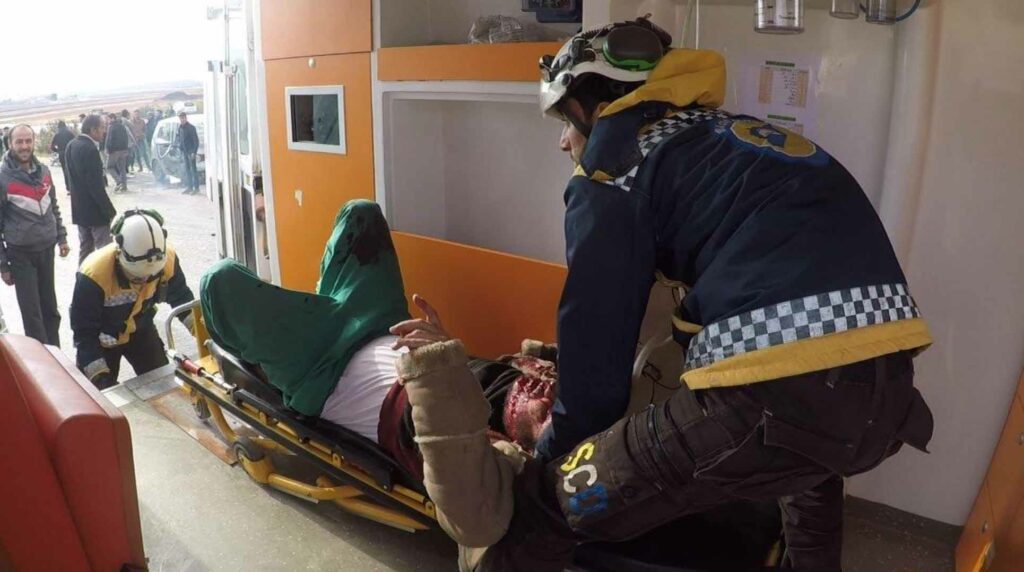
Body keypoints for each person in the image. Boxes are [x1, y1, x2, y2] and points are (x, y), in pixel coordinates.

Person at [397, 19, 936, 571]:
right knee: (809, 473)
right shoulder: (733, 138)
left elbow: (594, 364)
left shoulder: (612, 172)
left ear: (594, 106)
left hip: (773, 389)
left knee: (547, 506)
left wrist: (554, 461)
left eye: (564, 120)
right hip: (884, 394)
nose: (562, 141)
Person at [199, 200, 559, 479]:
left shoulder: (292, 343)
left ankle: (552, 423)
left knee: (361, 212)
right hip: (336, 371)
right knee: (220, 279)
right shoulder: (295, 364)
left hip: (377, 325)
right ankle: (547, 429)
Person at [70, 209, 194, 389]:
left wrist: (207, 336)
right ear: (120, 253)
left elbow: (183, 302)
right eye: (136, 276)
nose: (144, 280)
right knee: (99, 397)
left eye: (151, 275)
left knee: (163, 385)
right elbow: (84, 332)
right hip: (100, 339)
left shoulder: (167, 260)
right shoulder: (94, 274)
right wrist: (100, 378)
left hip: (140, 328)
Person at [0, 125, 71, 346]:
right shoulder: (3, 179)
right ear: (10, 144)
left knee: (51, 310)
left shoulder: (45, 172)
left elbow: (53, 207)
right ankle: (42, 362)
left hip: (46, 250)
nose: (24, 146)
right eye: (19, 142)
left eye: (28, 141)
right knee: (33, 316)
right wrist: (3, 265)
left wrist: (62, 237)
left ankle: (56, 355)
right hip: (21, 255)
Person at [65, 114, 116, 264]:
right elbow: (96, 186)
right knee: (105, 254)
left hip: (80, 211)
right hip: (96, 213)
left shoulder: (71, 145)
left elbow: (70, 180)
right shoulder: (90, 149)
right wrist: (109, 210)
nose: (104, 132)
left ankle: (82, 277)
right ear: (93, 130)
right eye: (102, 128)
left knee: (85, 251)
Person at [104, 112, 134, 192]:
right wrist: (126, 148)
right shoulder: (122, 126)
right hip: (124, 150)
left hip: (114, 151)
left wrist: (108, 150)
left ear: (112, 118)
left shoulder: (111, 127)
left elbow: (109, 139)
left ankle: (118, 181)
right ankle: (124, 187)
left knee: (109, 167)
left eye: (108, 119)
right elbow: (126, 138)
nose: (107, 121)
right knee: (122, 169)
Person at [176, 111, 200, 194]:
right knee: (187, 170)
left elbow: (196, 141)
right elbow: (179, 138)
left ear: (186, 118)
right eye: (180, 118)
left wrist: (194, 152)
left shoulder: (191, 128)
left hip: (191, 152)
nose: (182, 119)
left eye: (183, 118)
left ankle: (196, 188)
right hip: (184, 152)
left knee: (193, 170)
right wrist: (179, 146)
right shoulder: (180, 127)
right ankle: (189, 187)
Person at [50, 120, 75, 185]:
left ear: (58, 127)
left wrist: (58, 151)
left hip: (61, 154)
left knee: (65, 170)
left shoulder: (57, 135)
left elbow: (52, 146)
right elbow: (75, 142)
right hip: (70, 153)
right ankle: (73, 185)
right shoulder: (70, 133)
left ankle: (68, 186)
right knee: (72, 170)